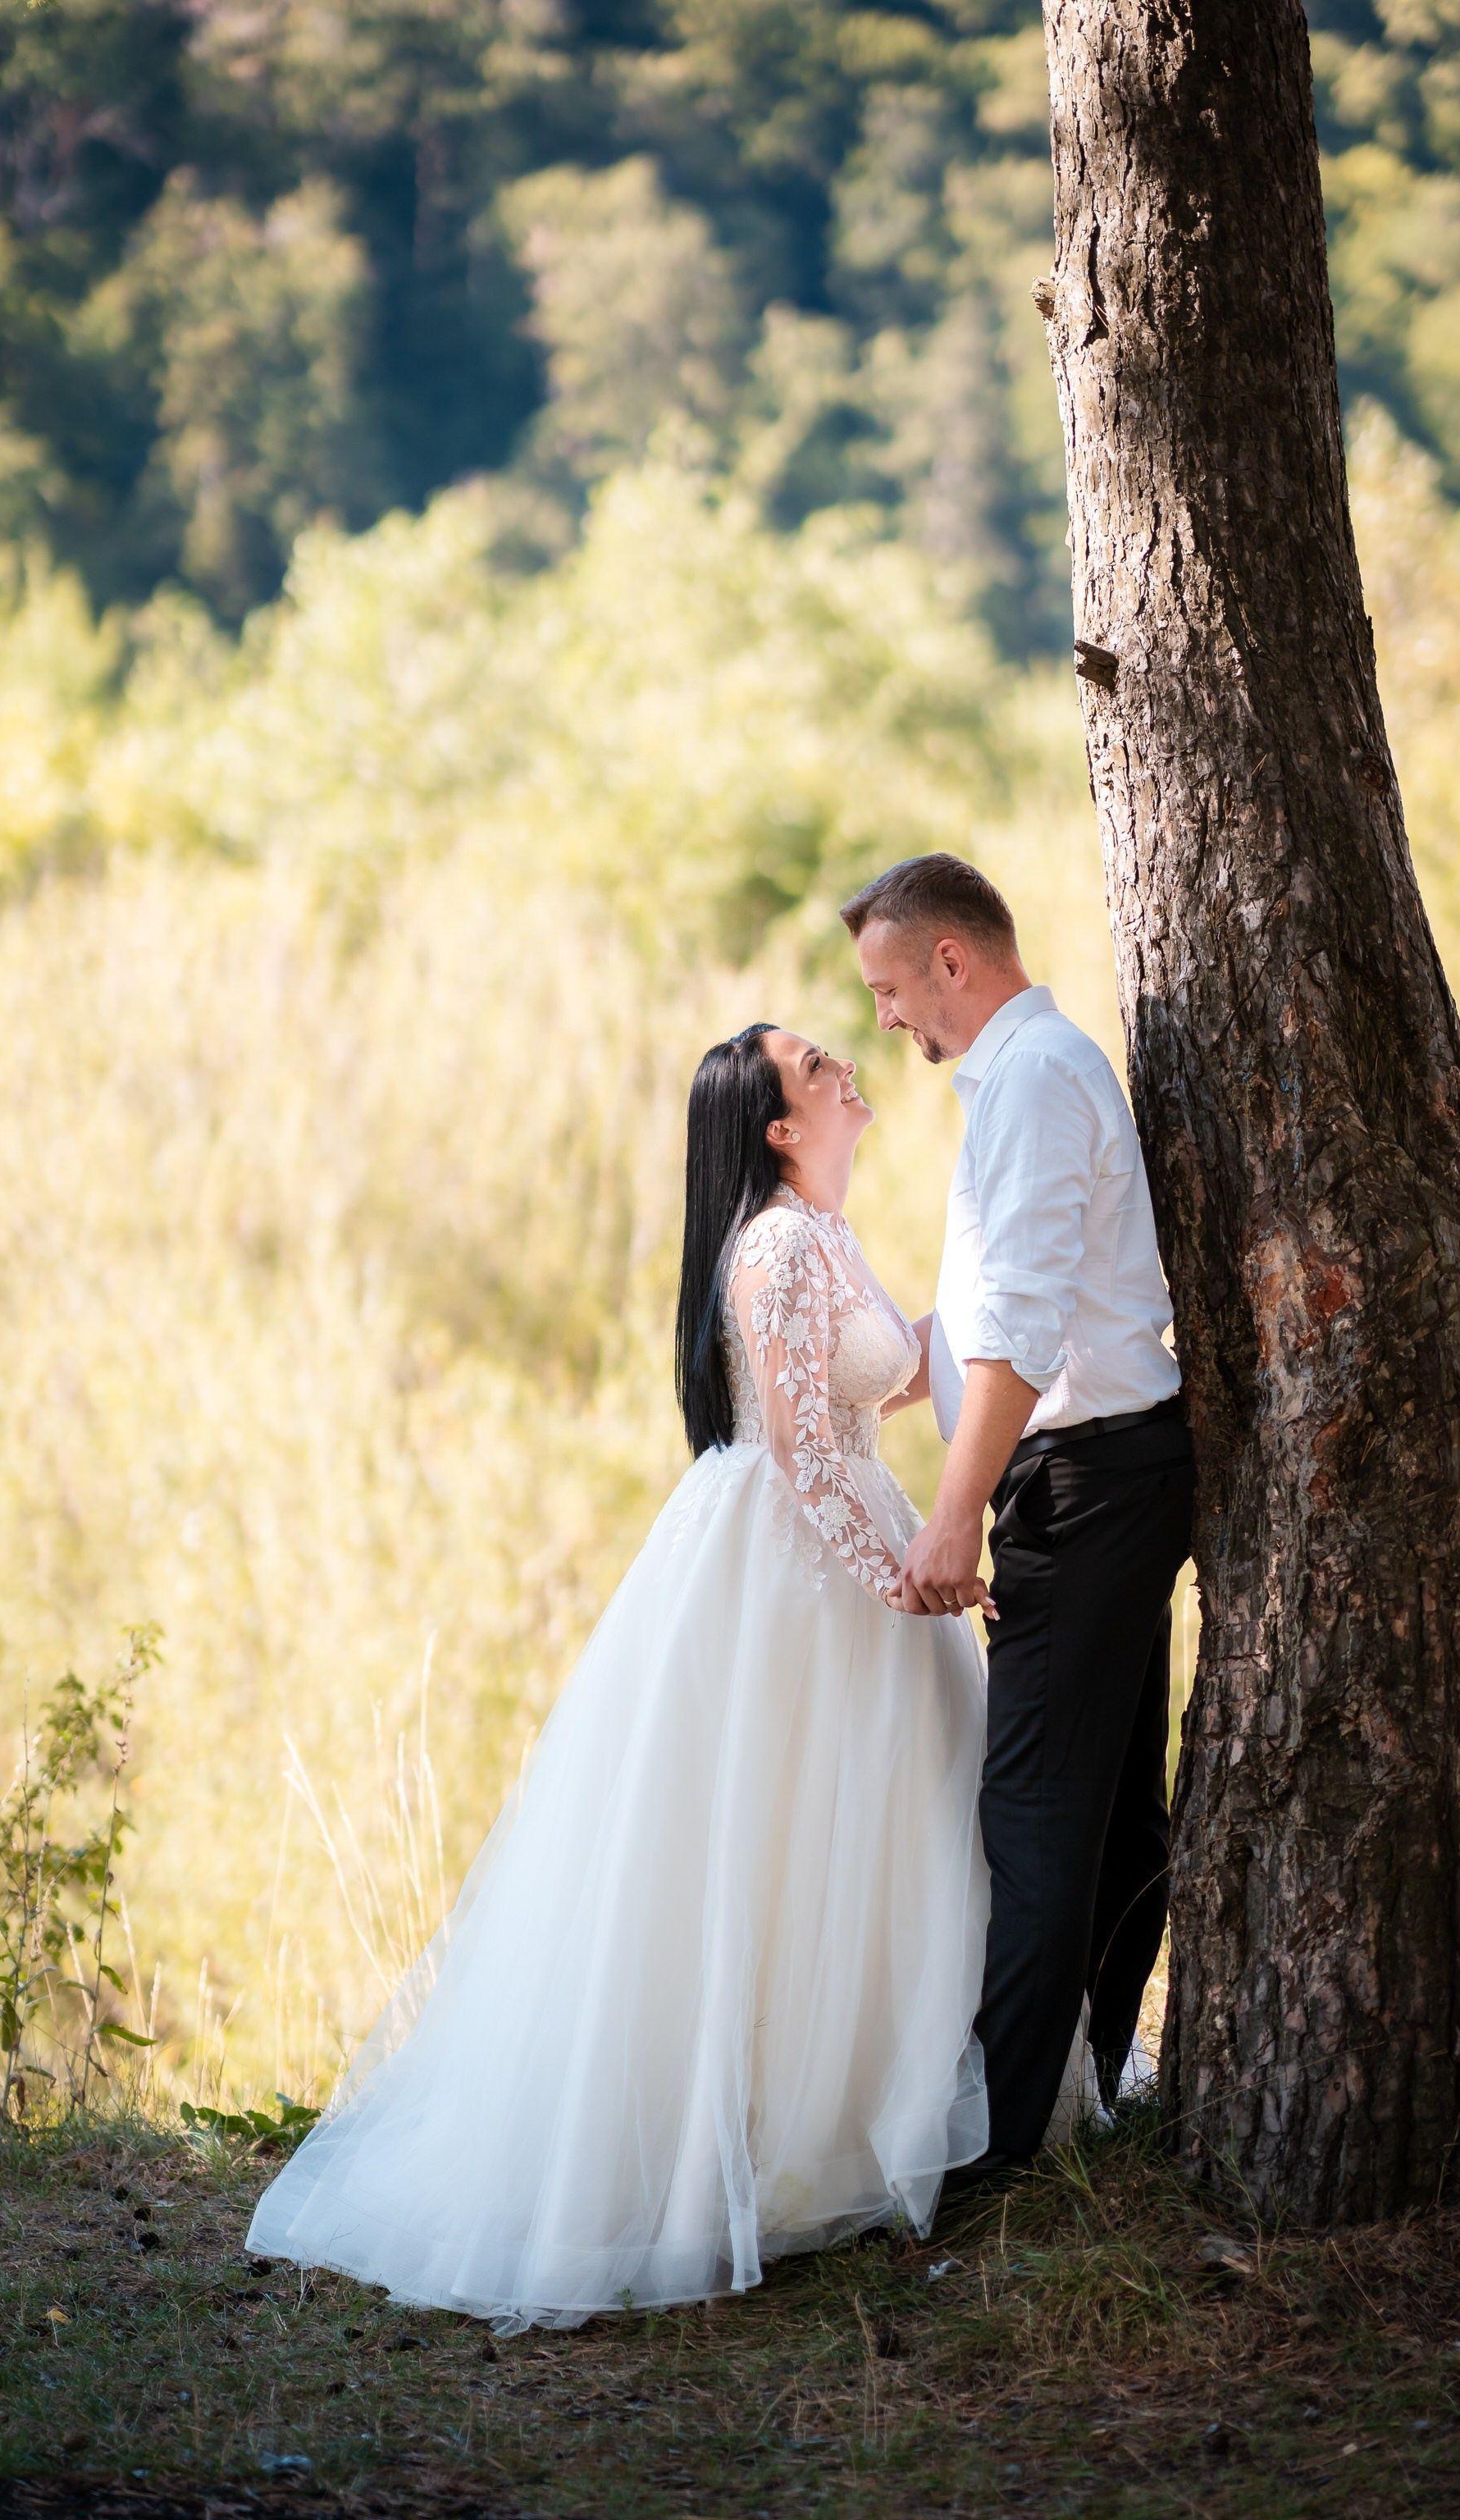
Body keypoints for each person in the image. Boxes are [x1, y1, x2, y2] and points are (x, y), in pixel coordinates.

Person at [246, 1020, 1093, 2331]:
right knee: (772, 1840)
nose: (846, 1063)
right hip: (795, 1568)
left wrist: (1016, 1311)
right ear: (774, 1119)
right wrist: (909, 1574)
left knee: (885, 1837)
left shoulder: (832, 1239)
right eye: (818, 1061)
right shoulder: (771, 1244)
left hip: (857, 1538)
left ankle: (868, 2118)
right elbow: (808, 1450)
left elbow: (901, 1376)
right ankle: (767, 2143)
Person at [842, 856, 1194, 2194]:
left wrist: (954, 1515)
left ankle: (995, 2159)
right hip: (1107, 1472)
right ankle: (1090, 2093)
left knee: (1036, 1813)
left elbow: (1028, 1328)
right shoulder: (1020, 1082)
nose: (886, 1020)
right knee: (1102, 1810)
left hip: (1090, 1481)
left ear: (952, 962)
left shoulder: (1037, 1079)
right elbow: (991, 1316)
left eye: (890, 987)